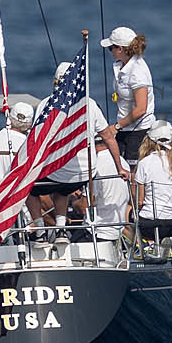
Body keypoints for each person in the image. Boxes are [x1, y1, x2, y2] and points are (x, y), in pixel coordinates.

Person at [29, 61, 123, 243]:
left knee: (30, 187)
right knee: (63, 188)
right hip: (84, 174)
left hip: (59, 173)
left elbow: (35, 142)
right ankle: (62, 230)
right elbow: (109, 137)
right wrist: (120, 168)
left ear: (57, 82)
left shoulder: (46, 104)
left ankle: (40, 231)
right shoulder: (90, 104)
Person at [103, 25, 155, 163]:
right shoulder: (121, 64)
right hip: (125, 128)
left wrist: (116, 127)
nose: (110, 51)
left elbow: (141, 109)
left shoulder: (138, 72)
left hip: (138, 131)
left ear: (120, 49)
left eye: (111, 48)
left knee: (131, 174)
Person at [134, 121, 172, 248]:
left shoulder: (144, 163)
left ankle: (147, 246)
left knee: (129, 212)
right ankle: (163, 245)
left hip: (149, 225)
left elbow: (140, 201)